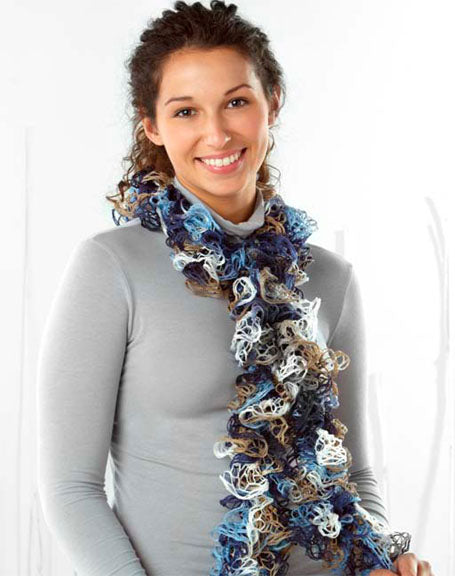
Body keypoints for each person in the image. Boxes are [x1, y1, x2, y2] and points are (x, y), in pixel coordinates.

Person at [36, 1, 435, 575]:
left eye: (237, 102)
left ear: (273, 102)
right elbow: (70, 489)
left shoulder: (331, 278)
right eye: (185, 111)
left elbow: (355, 474)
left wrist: (378, 558)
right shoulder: (111, 267)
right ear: (152, 126)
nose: (216, 132)